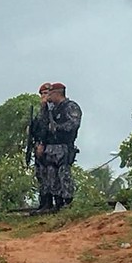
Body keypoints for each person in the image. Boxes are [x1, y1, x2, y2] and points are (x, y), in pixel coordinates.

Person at [39, 82, 82, 211]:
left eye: (50, 93)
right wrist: (44, 108)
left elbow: (73, 124)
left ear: (57, 93)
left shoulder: (70, 107)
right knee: (52, 175)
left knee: (64, 175)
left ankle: (67, 202)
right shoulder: (52, 109)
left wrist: (57, 128)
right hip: (51, 147)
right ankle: (57, 203)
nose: (48, 96)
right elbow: (43, 125)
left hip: (64, 146)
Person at [30, 82, 53, 210]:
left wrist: (42, 144)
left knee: (51, 176)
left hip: (50, 147)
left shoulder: (53, 110)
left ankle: (51, 204)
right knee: (41, 176)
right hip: (39, 146)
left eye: (46, 93)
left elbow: (47, 129)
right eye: (42, 94)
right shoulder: (41, 111)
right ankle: (44, 203)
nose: (44, 96)